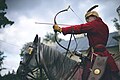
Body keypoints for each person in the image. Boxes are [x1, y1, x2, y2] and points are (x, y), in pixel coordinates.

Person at [53, 5, 120, 80]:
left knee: (86, 75)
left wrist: (61, 29)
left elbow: (80, 28)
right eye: (86, 19)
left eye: (88, 18)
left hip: (98, 54)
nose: (87, 21)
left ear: (94, 17)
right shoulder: (104, 25)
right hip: (102, 53)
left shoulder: (95, 24)